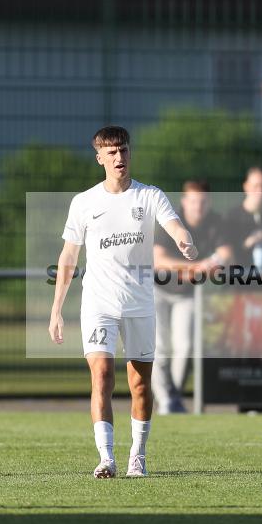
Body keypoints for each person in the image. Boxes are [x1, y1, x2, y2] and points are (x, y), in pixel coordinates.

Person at [49, 126, 197, 478]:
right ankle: (106, 458)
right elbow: (69, 256)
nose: (119, 158)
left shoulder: (149, 196)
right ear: (99, 157)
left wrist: (184, 239)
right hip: (99, 303)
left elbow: (174, 224)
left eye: (124, 151)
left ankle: (138, 455)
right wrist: (56, 309)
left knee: (140, 384)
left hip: (140, 303)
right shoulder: (84, 202)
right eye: (111, 153)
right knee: (101, 377)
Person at [152, 180, 232, 415]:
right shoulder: (171, 220)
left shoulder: (216, 223)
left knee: (185, 346)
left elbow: (226, 254)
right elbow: (158, 261)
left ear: (209, 203)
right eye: (193, 201)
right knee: (159, 347)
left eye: (203, 201)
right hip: (158, 292)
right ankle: (166, 400)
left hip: (188, 296)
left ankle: (172, 398)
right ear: (184, 202)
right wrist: (195, 268)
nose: (198, 206)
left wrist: (211, 264)